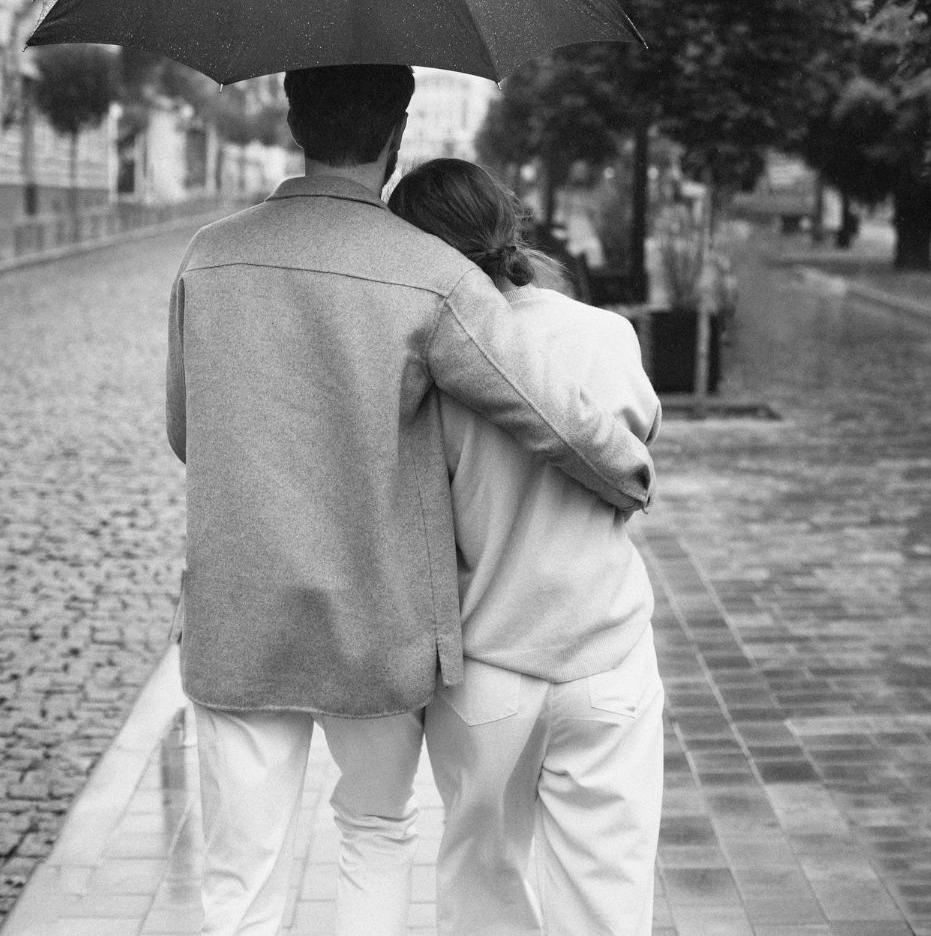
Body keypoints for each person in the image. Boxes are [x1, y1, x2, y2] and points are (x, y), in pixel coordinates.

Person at [165, 64, 655, 936]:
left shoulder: (208, 255)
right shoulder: (430, 273)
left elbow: (185, 431)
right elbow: (539, 405)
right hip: (375, 618)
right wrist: (627, 469)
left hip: (238, 609)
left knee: (241, 877)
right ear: (398, 132)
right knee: (374, 830)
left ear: (293, 122)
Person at [388, 157, 663, 936]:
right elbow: (641, 445)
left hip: (487, 669)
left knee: (484, 891)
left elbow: (412, 513)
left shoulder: (427, 364)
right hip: (607, 655)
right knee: (609, 899)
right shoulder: (607, 333)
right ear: (509, 225)